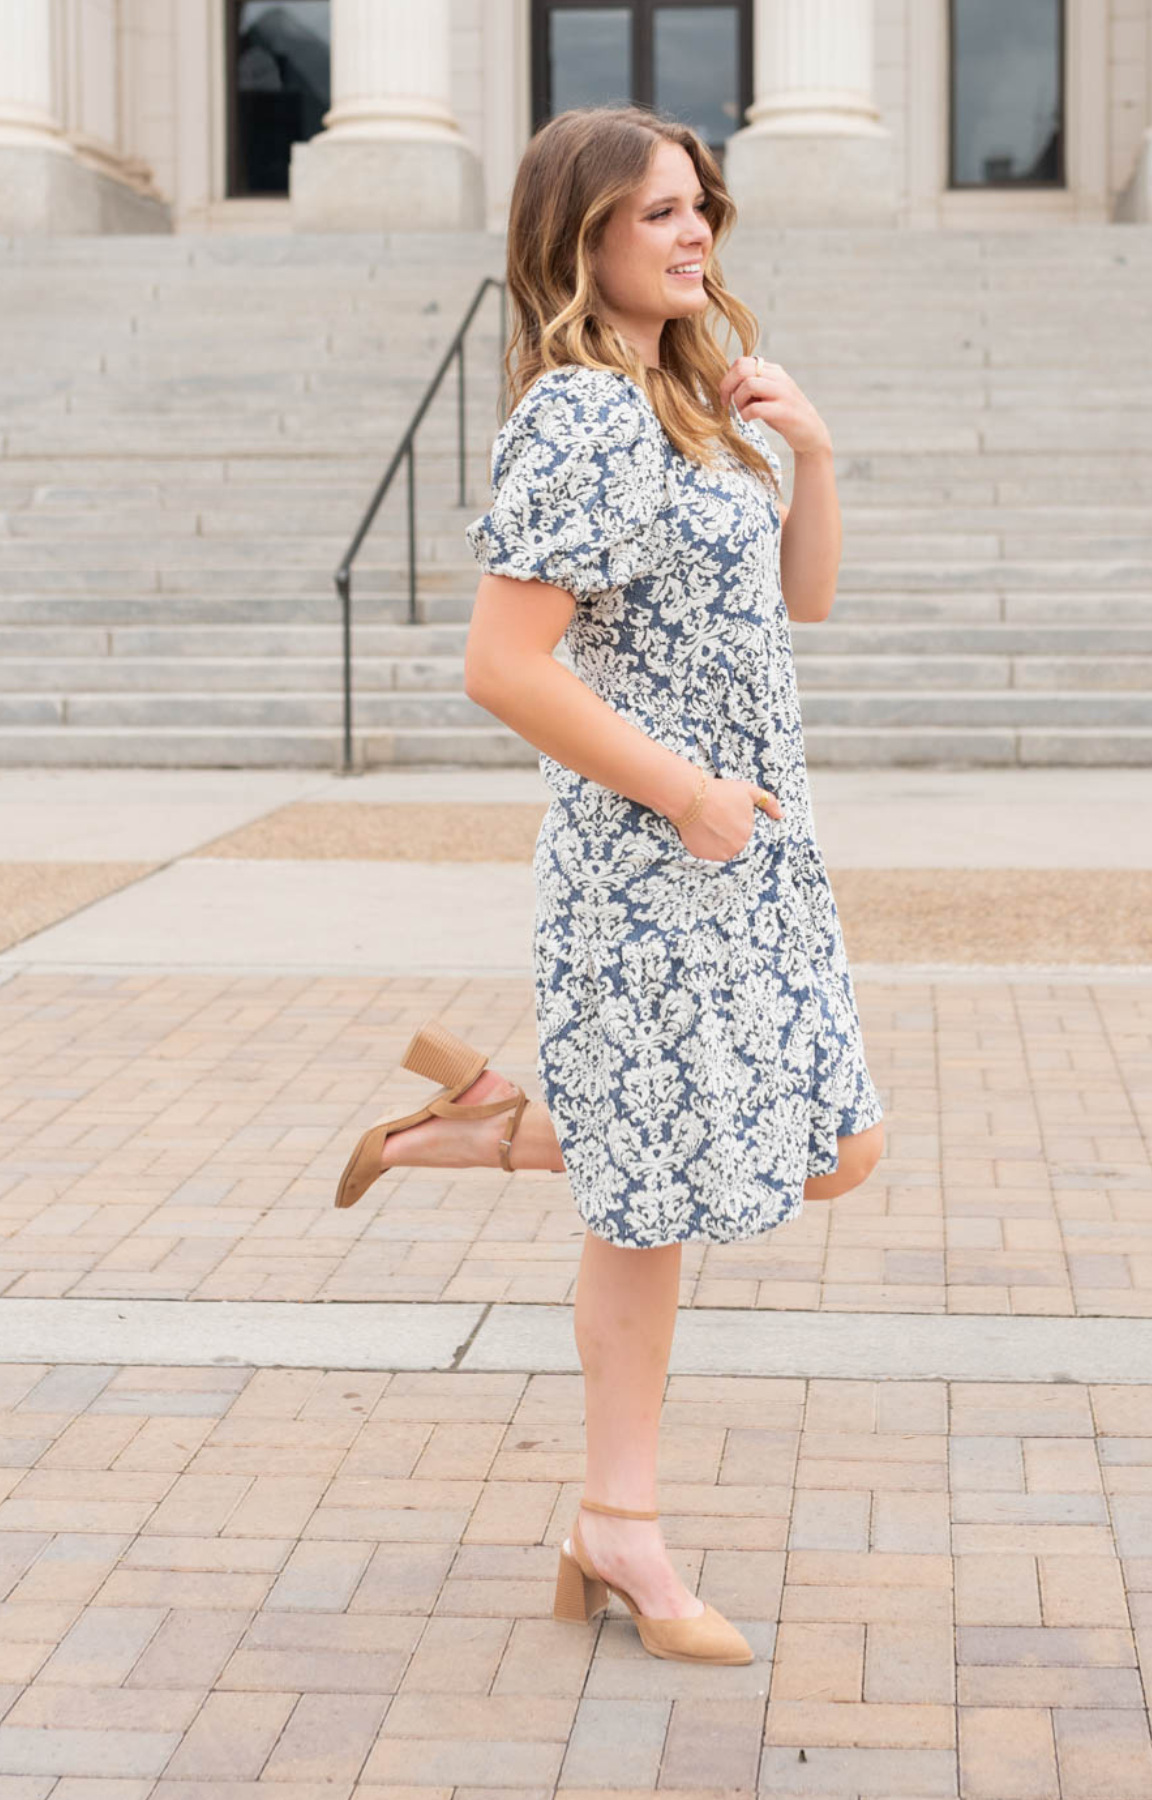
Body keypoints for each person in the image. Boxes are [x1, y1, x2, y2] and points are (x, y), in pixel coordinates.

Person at [333, 102, 885, 1666]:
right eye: (655, 213)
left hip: (753, 851)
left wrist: (813, 453)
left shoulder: (688, 393)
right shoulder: (580, 414)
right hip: (655, 863)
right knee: (652, 1208)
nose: (695, 229)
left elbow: (807, 603)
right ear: (578, 237)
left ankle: (504, 1119)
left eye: (700, 202)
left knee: (829, 1149)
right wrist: (687, 792)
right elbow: (499, 668)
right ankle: (621, 1535)